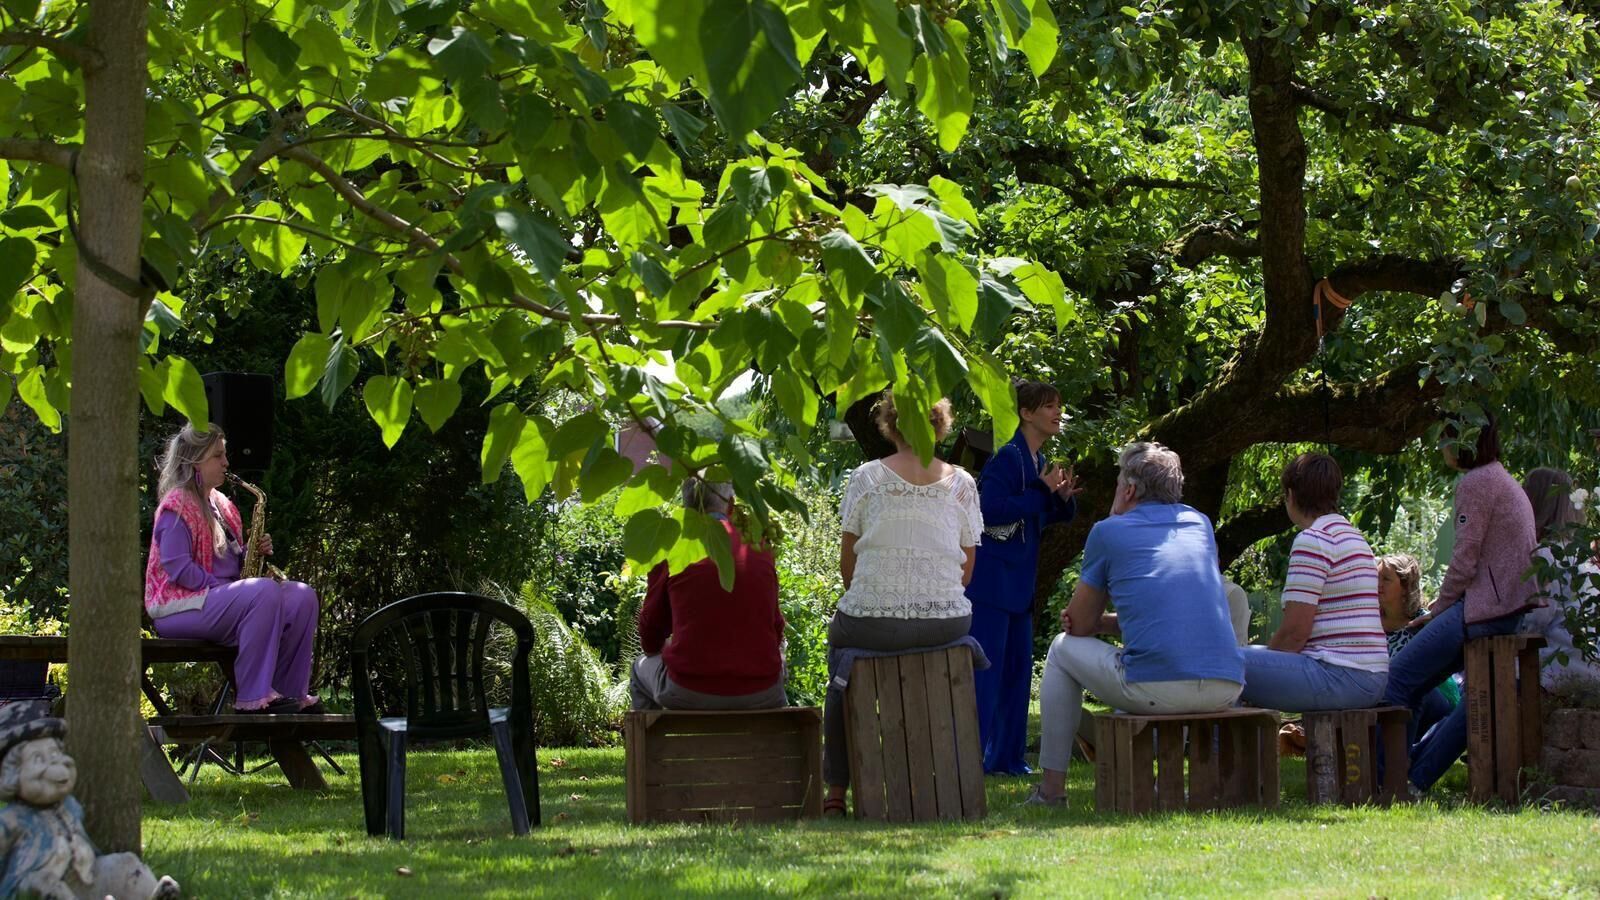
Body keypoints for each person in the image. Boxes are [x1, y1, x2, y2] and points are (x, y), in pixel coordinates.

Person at [1025, 442, 1244, 806]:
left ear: (1128, 490)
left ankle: (1051, 791)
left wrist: (1091, 623)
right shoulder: (1200, 524)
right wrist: (1105, 624)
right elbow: (1168, 614)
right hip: (1226, 686)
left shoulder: (1108, 531)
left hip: (1160, 688)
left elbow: (1077, 625)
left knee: (1061, 649)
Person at [822, 392, 984, 815]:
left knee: (838, 653)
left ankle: (836, 790)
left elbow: (848, 565)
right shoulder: (962, 483)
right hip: (946, 623)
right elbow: (966, 572)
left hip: (870, 624)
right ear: (939, 425)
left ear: (889, 426)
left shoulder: (867, 477)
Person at [1381, 412, 1541, 792]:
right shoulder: (1500, 478)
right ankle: (1413, 778)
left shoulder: (1476, 482)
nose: (1441, 447)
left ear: (1465, 440)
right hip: (1506, 610)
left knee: (1394, 681)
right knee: (1441, 693)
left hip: (1484, 611)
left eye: (1445, 437)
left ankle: (1386, 783)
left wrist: (1437, 610)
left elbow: (1465, 560)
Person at [143, 424, 321, 713]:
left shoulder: (223, 506)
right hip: (178, 607)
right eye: (218, 456)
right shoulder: (176, 504)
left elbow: (237, 568)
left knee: (302, 596)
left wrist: (253, 551)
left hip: (215, 600)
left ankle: (291, 695)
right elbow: (179, 568)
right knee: (262, 592)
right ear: (194, 461)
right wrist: (228, 591)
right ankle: (254, 698)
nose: (226, 463)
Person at [965, 380, 1080, 775]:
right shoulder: (1007, 456)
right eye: (1049, 405)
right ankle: (970, 759)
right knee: (987, 675)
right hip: (992, 584)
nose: (1057, 412)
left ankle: (1006, 759)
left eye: (1059, 404)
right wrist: (1040, 492)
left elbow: (1036, 514)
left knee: (1016, 675)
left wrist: (1060, 500)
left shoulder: (1037, 459)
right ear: (1026, 413)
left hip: (1018, 585)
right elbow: (988, 510)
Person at [1238, 453, 1387, 711]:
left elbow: (1295, 633)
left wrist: (1269, 665)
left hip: (1338, 675)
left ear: (1291, 495)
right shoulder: (1353, 537)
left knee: (1221, 663)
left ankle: (1220, 752)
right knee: (1249, 660)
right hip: (1371, 677)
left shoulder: (1314, 540)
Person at [631, 480, 787, 710]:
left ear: (685, 509)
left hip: (688, 688)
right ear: (731, 505)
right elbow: (775, 628)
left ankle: (653, 745)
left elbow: (650, 636)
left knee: (638, 669)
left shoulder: (672, 546)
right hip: (762, 689)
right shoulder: (759, 546)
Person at [1521, 468, 1600, 693]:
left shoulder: (1544, 555)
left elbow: (1534, 621)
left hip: (1555, 670)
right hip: (1588, 665)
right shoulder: (1582, 557)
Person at [1377, 553, 1458, 734]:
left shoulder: (1425, 624)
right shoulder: (1369, 623)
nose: (1378, 584)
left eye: (1386, 579)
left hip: (1433, 700)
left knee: (1412, 688)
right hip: (1388, 700)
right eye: (1376, 578)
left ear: (1405, 587)